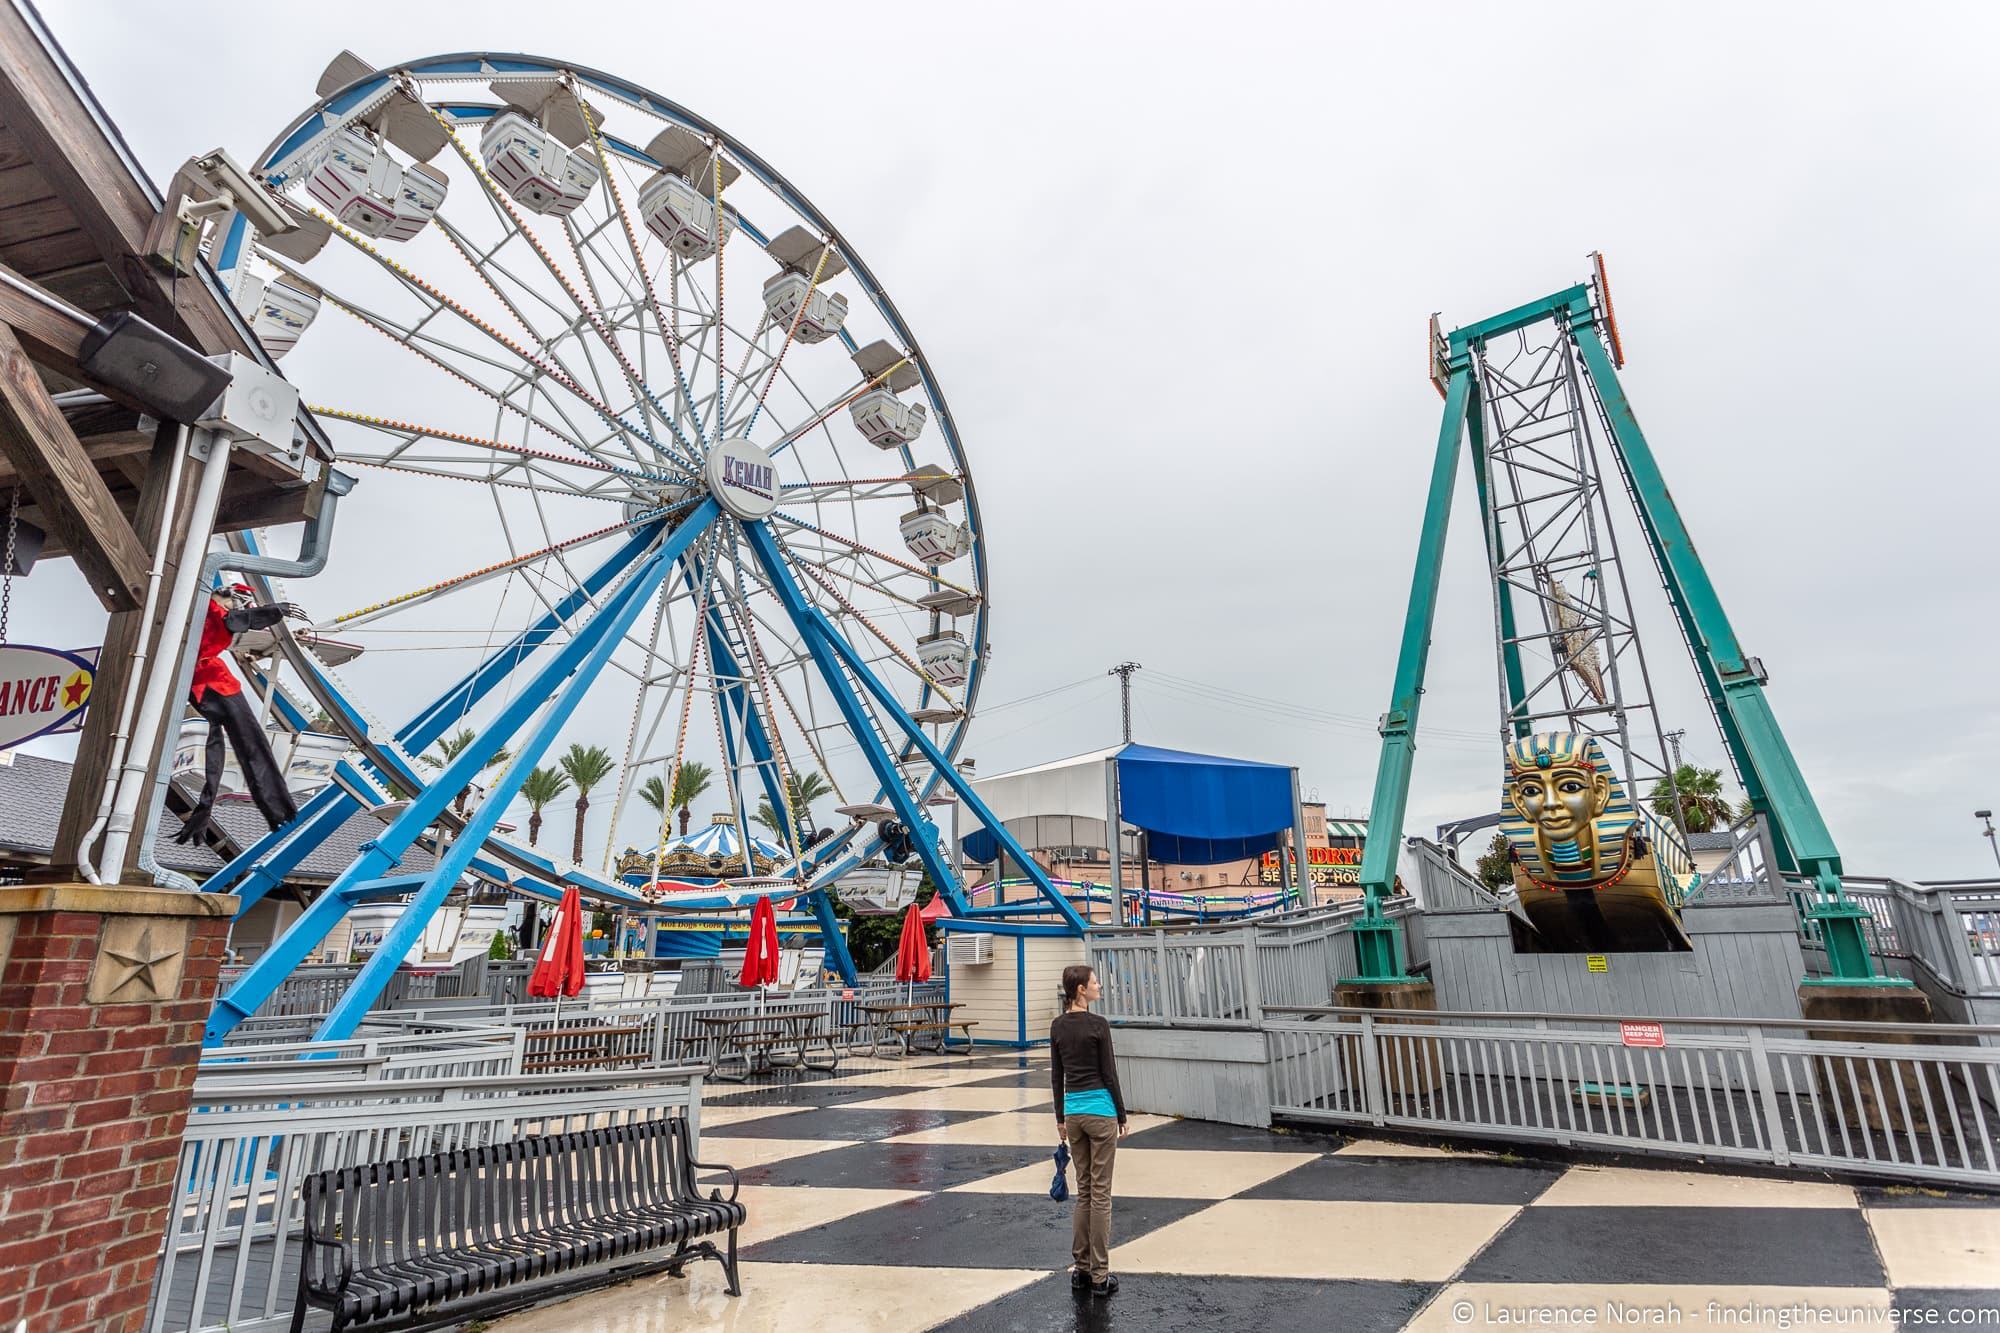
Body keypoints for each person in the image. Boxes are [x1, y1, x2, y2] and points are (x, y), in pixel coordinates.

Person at [175, 583, 309, 843]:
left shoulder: (212, 612)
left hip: (210, 682)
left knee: (250, 745)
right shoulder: (209, 608)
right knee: (253, 745)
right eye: (230, 600)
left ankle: (276, 808)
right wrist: (274, 612)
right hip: (213, 682)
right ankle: (278, 808)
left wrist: (270, 613)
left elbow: (234, 620)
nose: (231, 606)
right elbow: (233, 620)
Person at [1051, 963, 1127, 1298]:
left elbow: (1057, 1076)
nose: (1099, 986)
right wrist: (1122, 1114)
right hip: (1100, 1113)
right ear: (1080, 989)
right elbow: (1109, 1074)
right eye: (1095, 982)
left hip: (1074, 1114)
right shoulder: (1099, 1025)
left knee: (1084, 1192)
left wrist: (1060, 1117)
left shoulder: (1057, 1027)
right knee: (1101, 1195)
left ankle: (1080, 1270)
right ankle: (1100, 1275)